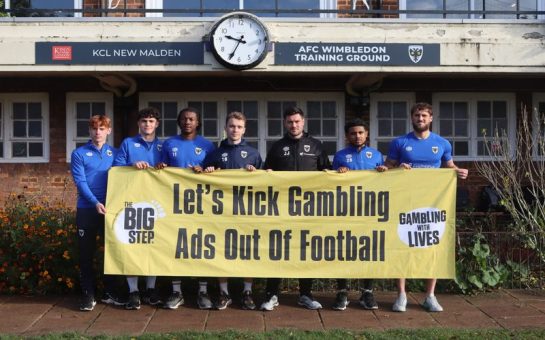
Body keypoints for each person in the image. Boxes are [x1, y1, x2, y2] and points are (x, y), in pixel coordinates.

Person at [384, 102, 468, 313]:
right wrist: (397, 169)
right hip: (405, 201)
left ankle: (430, 295)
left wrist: (460, 171)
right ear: (411, 118)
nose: (420, 119)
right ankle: (401, 295)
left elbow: (449, 167)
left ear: (430, 118)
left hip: (433, 203)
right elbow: (387, 168)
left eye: (423, 116)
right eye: (416, 116)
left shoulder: (442, 143)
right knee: (402, 245)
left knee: (432, 247)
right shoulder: (400, 142)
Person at [260, 106, 331, 311]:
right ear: (285, 123)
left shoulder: (316, 146)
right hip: (281, 209)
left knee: (305, 251)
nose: (294, 125)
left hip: (308, 210)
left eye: (297, 121)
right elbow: (266, 175)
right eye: (290, 122)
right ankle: (271, 294)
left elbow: (327, 174)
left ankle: (305, 294)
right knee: (277, 251)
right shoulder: (277, 147)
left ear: (303, 122)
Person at [202, 111, 263, 310]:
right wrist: (208, 172)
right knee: (221, 250)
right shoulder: (215, 153)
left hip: (246, 212)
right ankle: (224, 292)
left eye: (239, 126)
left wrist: (257, 174)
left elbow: (266, 182)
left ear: (244, 129)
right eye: (231, 126)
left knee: (248, 251)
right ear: (225, 128)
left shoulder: (254, 153)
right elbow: (200, 181)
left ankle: (247, 292)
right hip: (221, 212)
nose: (235, 129)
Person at [157, 107, 216, 310]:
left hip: (200, 205)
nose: (187, 122)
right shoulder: (169, 143)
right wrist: (161, 169)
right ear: (179, 122)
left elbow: (216, 172)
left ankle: (203, 291)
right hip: (175, 204)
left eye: (191, 119)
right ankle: (176, 292)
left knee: (202, 246)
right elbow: (160, 169)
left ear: (197, 122)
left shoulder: (207, 146)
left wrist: (206, 171)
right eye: (184, 119)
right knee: (176, 245)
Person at [331, 118, 388, 311]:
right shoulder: (339, 155)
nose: (357, 136)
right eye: (353, 133)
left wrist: (383, 172)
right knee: (343, 250)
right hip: (345, 211)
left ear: (367, 134)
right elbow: (329, 182)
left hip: (370, 211)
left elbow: (385, 182)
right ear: (347, 136)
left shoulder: (377, 155)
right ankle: (342, 292)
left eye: (360, 133)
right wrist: (339, 173)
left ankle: (367, 292)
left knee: (368, 250)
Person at [71, 115, 124, 311]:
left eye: (102, 128)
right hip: (87, 209)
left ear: (108, 131)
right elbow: (81, 182)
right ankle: (88, 294)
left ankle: (109, 292)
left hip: (110, 210)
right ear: (89, 131)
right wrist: (94, 202)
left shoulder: (115, 153)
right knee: (86, 255)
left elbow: (125, 175)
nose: (98, 132)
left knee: (111, 253)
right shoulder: (79, 153)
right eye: (94, 129)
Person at [113, 107, 163, 310]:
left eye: (151, 121)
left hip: (158, 203)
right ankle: (133, 291)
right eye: (144, 121)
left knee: (154, 246)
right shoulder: (128, 143)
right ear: (138, 124)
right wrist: (132, 165)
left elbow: (172, 168)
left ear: (157, 124)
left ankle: (150, 289)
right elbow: (116, 168)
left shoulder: (164, 146)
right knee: (132, 245)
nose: (147, 124)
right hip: (132, 201)